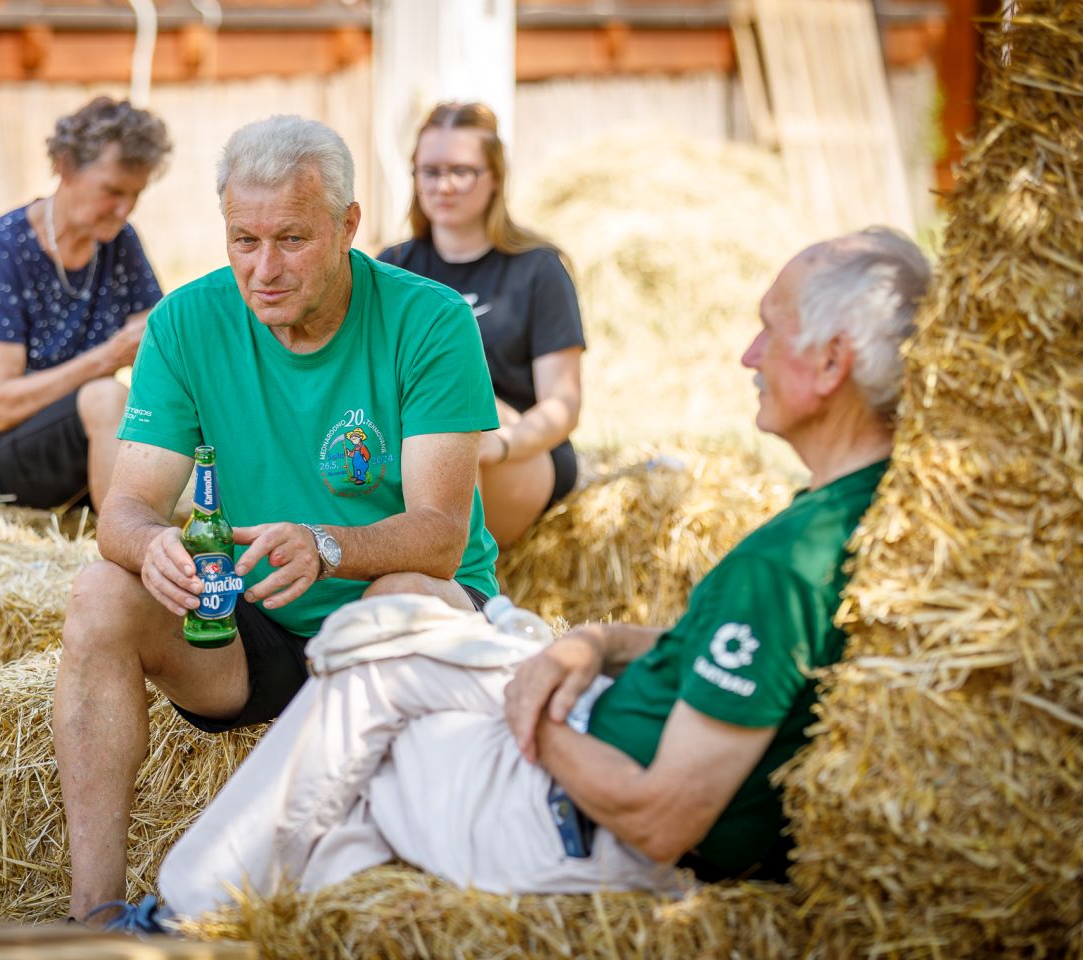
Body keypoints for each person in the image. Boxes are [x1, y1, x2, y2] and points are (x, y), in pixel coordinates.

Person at [145, 226, 931, 923]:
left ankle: (182, 912)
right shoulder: (874, 512)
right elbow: (755, 655)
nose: (748, 355)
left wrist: (538, 722)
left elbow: (660, 820)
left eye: (770, 331)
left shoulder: (786, 565)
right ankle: (262, 910)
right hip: (590, 737)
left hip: (576, 820)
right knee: (386, 631)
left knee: (372, 698)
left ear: (832, 363)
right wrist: (596, 645)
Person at [54, 115, 503, 927]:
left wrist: (327, 546)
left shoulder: (431, 320)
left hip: (399, 619)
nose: (263, 269)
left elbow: (441, 535)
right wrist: (153, 547)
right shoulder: (185, 322)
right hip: (254, 623)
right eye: (244, 240)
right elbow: (122, 510)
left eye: (291, 239)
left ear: (348, 225)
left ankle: (295, 902)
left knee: (396, 595)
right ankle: (95, 919)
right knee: (99, 593)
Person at [0, 96, 171, 510]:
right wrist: (109, 356)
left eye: (135, 194)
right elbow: (2, 406)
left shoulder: (120, 242)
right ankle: (127, 535)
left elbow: (162, 344)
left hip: (65, 441)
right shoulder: (2, 247)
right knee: (106, 397)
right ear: (66, 166)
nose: (124, 209)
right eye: (113, 191)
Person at [379, 102, 585, 548]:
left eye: (462, 171)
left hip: (517, 449)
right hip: (413, 443)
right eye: (430, 171)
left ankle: (463, 579)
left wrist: (505, 442)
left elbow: (563, 404)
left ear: (495, 177)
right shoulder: (392, 269)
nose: (444, 185)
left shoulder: (538, 270)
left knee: (458, 420)